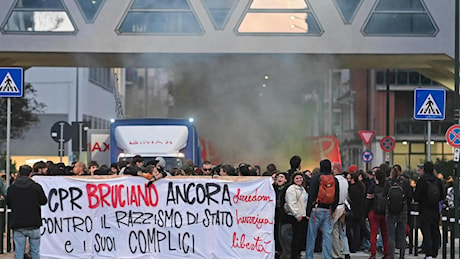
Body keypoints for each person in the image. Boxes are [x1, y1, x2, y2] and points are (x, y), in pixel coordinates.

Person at [6, 164, 48, 259]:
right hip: (34, 223)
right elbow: (44, 201)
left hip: (18, 223)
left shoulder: (12, 188)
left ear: (19, 174)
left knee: (19, 252)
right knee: (35, 252)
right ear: (30, 174)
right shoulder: (36, 187)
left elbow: (8, 202)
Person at [305, 159, 339, 259]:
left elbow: (311, 195)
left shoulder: (316, 178)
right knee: (327, 236)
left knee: (311, 236)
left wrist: (308, 212)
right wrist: (332, 209)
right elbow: (336, 197)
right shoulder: (334, 180)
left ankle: (309, 257)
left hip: (316, 210)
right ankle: (327, 257)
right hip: (328, 210)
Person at [414, 161, 444, 259]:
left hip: (424, 210)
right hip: (435, 210)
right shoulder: (437, 181)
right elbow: (442, 196)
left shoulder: (421, 181)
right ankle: (435, 251)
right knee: (435, 230)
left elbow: (417, 197)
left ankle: (428, 253)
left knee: (426, 232)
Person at [383, 164, 412, 259]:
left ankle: (391, 255)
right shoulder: (405, 182)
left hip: (390, 211)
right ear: (400, 172)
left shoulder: (388, 182)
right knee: (402, 234)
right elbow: (409, 196)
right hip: (402, 210)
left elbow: (384, 195)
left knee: (391, 234)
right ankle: (402, 255)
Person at [284, 172, 308, 259]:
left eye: (300, 178)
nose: (299, 180)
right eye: (297, 178)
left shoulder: (302, 188)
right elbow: (291, 203)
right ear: (293, 179)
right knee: (296, 237)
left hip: (303, 215)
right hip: (296, 216)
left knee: (300, 237)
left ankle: (298, 253)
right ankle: (294, 255)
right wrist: (297, 214)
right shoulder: (291, 189)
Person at [367, 169, 390, 259]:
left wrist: (366, 213)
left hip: (374, 212)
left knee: (373, 233)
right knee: (385, 233)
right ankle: (387, 253)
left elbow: (368, 202)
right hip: (385, 213)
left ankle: (373, 254)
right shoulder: (387, 187)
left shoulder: (372, 188)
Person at [331, 162, 350, 259]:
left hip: (336, 207)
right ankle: (342, 250)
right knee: (341, 230)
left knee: (334, 231)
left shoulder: (334, 180)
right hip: (343, 206)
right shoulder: (345, 180)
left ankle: (336, 253)